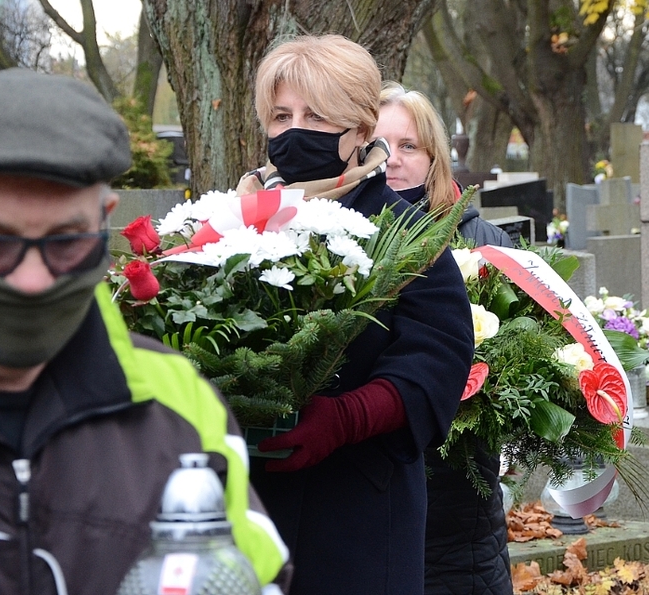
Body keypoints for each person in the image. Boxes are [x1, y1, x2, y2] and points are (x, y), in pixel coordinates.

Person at [0, 69, 290, 595]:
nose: (33, 280)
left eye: (67, 241)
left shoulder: (177, 402)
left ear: (106, 218)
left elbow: (256, 576)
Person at [236, 36, 475, 595]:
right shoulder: (233, 221)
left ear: (363, 130)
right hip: (249, 507)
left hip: (356, 513)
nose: (295, 131)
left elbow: (437, 359)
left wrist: (345, 419)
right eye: (281, 116)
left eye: (317, 116)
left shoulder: (405, 232)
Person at [374, 81, 514, 595]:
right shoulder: (337, 237)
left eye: (408, 146)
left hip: (460, 510)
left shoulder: (484, 241)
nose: (392, 159)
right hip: (373, 482)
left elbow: (523, 352)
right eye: (379, 145)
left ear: (434, 158)